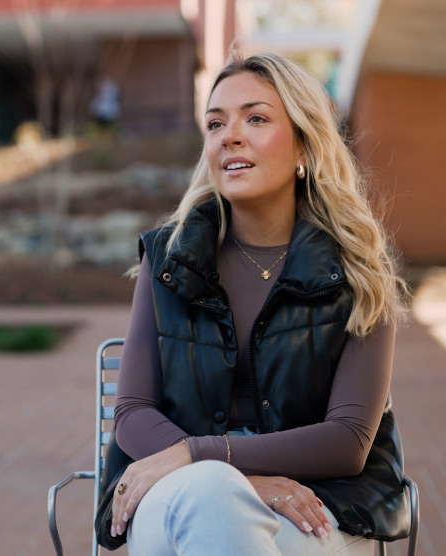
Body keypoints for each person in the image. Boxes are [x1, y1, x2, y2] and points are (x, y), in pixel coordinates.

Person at [97, 51, 410, 555]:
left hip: (315, 504)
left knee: (221, 500)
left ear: (306, 146)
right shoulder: (168, 259)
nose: (230, 135)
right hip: (174, 495)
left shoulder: (360, 272)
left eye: (256, 118)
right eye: (216, 123)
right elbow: (133, 411)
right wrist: (231, 478)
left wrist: (206, 458)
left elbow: (349, 440)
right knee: (212, 498)